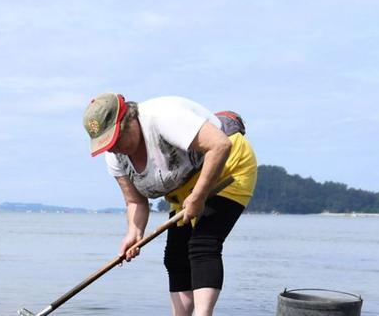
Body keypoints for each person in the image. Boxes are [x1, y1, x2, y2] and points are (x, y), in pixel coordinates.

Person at [82, 94, 257, 316]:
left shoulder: (164, 117)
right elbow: (135, 200)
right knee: (174, 256)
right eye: (107, 144)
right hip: (185, 190)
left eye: (116, 140)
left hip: (227, 168)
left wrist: (199, 196)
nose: (114, 148)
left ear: (130, 121)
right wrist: (134, 232)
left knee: (202, 243)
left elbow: (219, 146)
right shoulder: (116, 157)